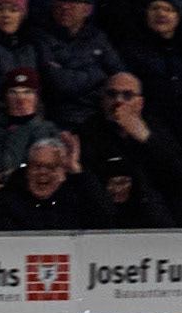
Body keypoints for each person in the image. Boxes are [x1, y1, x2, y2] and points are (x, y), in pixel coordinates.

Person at [77, 70, 182, 221]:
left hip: (160, 221)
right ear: (103, 100)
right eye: (112, 94)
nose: (118, 101)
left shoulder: (156, 128)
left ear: (140, 103)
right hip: (110, 224)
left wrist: (147, 139)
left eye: (127, 95)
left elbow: (177, 175)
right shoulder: (88, 132)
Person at [34, 0, 124, 130]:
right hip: (56, 121)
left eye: (72, 1)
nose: (64, 6)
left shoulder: (98, 38)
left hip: (98, 118)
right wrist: (98, 74)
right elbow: (57, 84)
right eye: (60, 0)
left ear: (87, 9)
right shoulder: (40, 37)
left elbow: (119, 77)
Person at [0, 132, 116, 227]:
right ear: (28, 170)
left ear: (62, 173)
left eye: (51, 167)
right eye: (37, 166)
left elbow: (106, 216)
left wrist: (76, 170)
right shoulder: (10, 198)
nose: (43, 172)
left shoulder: (75, 195)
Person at [124, 0, 182, 140]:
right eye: (155, 8)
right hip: (149, 129)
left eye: (169, 9)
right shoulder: (131, 51)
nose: (161, 13)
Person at [0, 64, 60, 181]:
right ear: (5, 98)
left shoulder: (48, 129)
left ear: (37, 98)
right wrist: (21, 125)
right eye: (13, 92)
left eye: (27, 91)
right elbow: (5, 167)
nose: (21, 99)